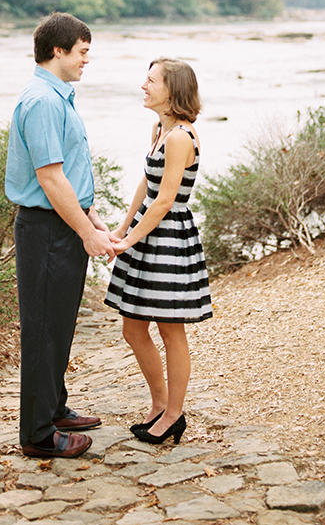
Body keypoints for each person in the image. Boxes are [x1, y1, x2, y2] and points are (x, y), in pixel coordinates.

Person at [5, 12, 116, 459]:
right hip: (46, 229)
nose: (87, 60)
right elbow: (50, 180)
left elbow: (67, 171)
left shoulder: (58, 97)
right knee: (42, 329)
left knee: (58, 323)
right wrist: (87, 232)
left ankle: (54, 408)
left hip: (62, 224)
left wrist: (91, 214)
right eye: (83, 51)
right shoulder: (43, 102)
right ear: (59, 50)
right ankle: (37, 434)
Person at [104, 57, 213, 445]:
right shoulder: (160, 129)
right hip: (147, 232)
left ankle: (174, 414)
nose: (143, 86)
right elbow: (147, 184)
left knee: (170, 330)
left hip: (169, 240)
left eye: (151, 81)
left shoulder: (183, 137)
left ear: (172, 90)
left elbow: (166, 200)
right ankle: (159, 404)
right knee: (133, 328)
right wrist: (122, 228)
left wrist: (129, 240)